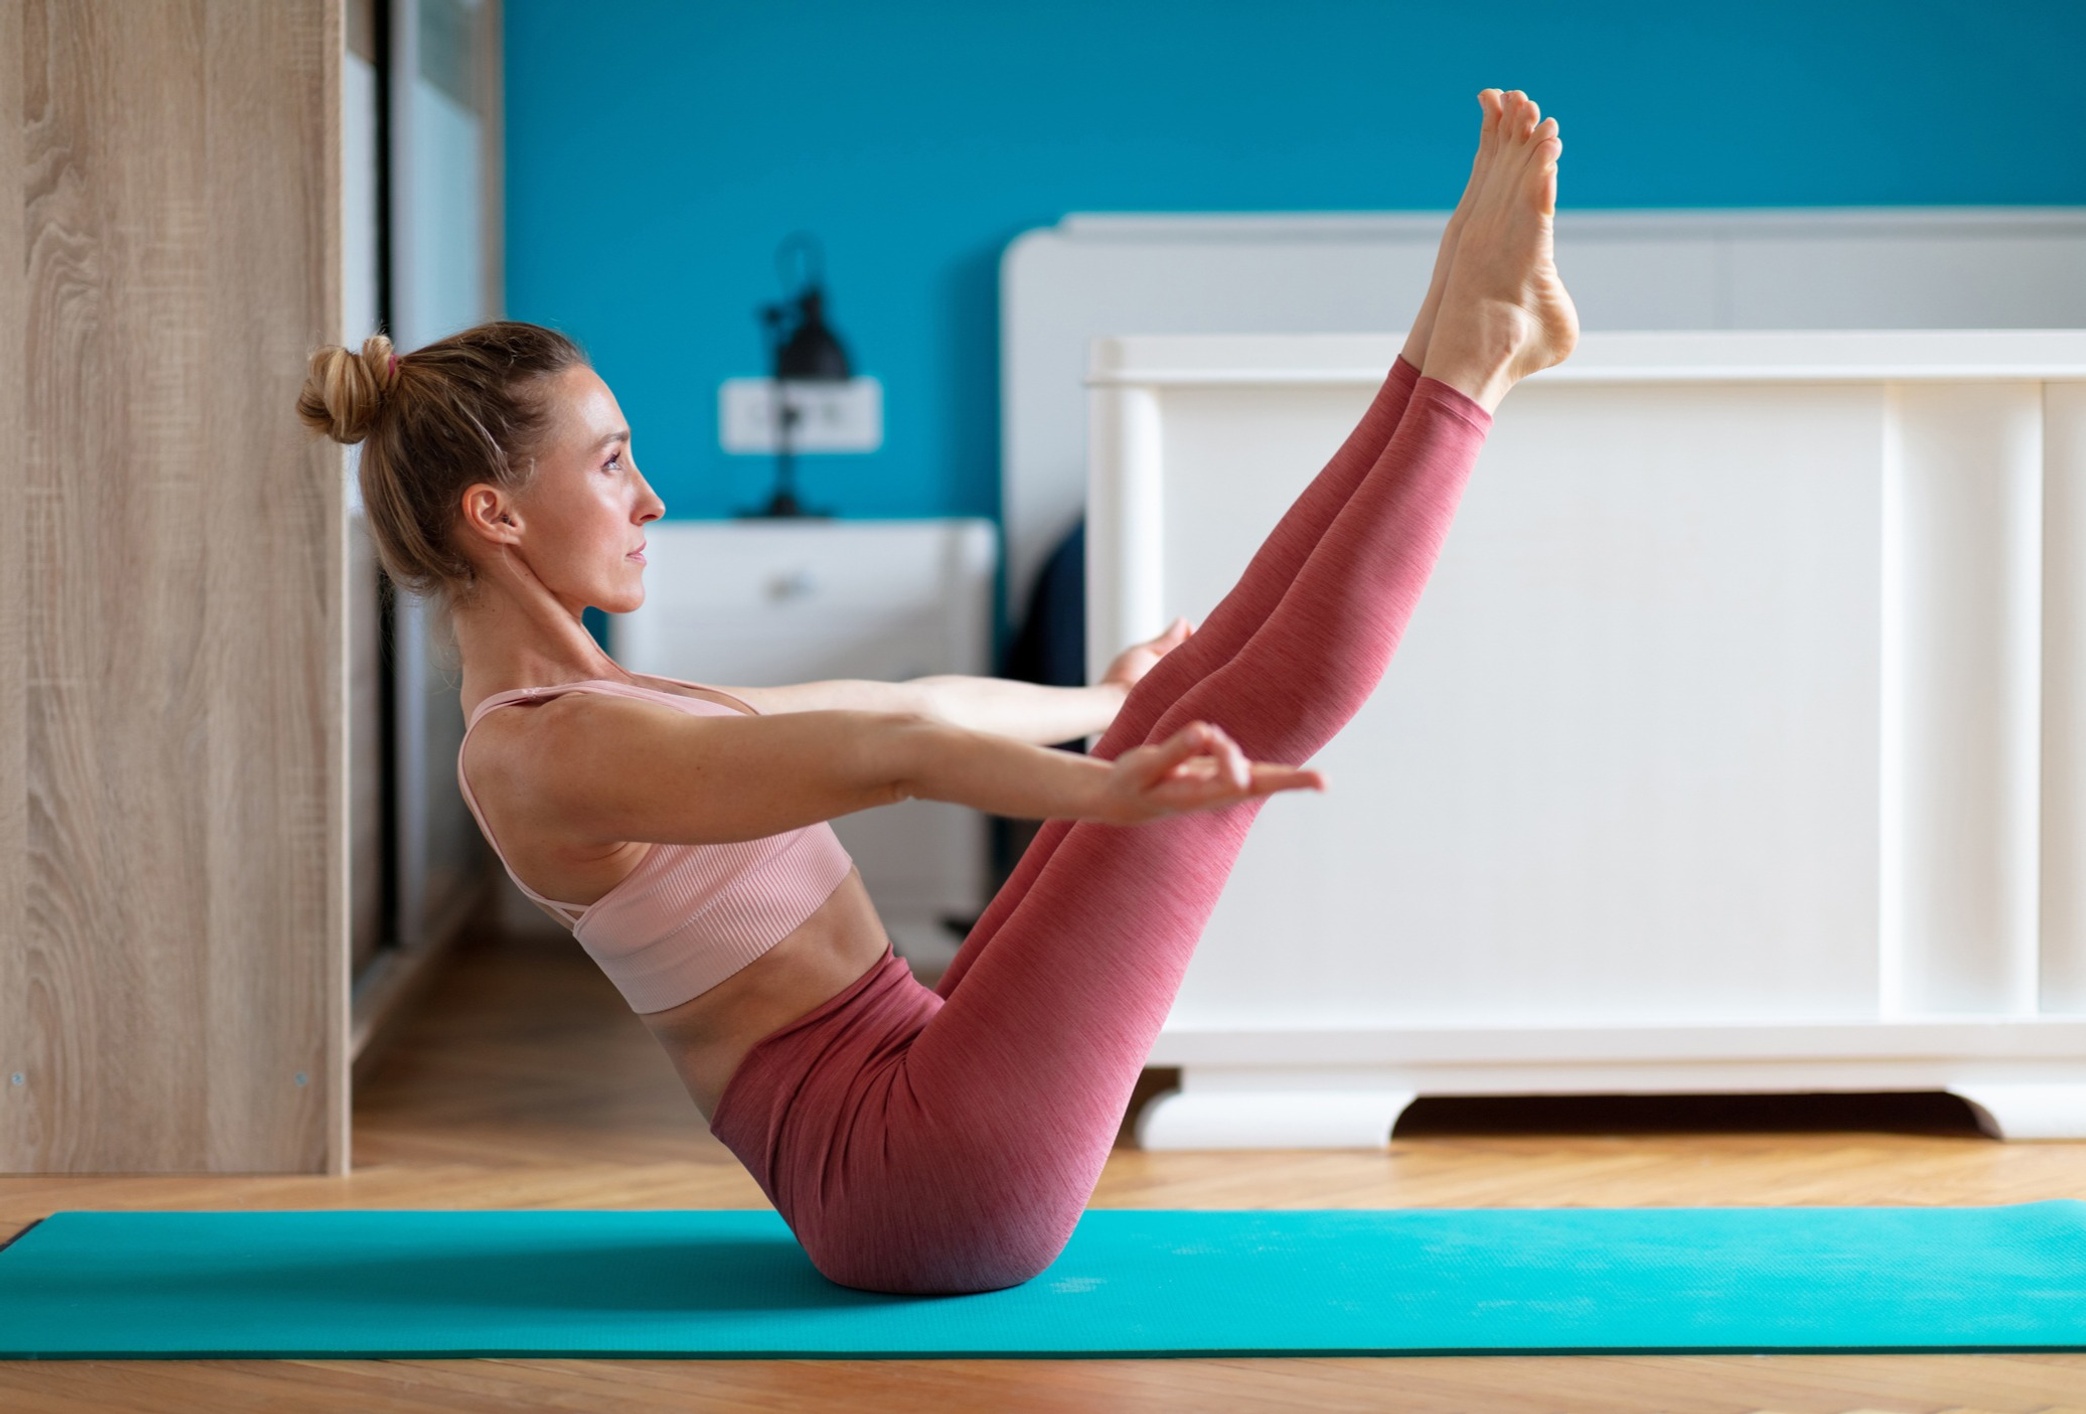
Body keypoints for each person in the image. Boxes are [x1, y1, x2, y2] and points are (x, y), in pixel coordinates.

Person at [298, 89, 1577, 1294]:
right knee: (1228, 730)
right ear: (495, 514)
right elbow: (887, 748)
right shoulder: (534, 756)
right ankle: (1469, 357)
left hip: (922, 1082)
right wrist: (1112, 785)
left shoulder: (614, 706)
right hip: (919, 1178)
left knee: (1181, 690)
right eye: (615, 461)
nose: (650, 498)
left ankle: (1457, 340)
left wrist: (1099, 700)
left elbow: (905, 700)